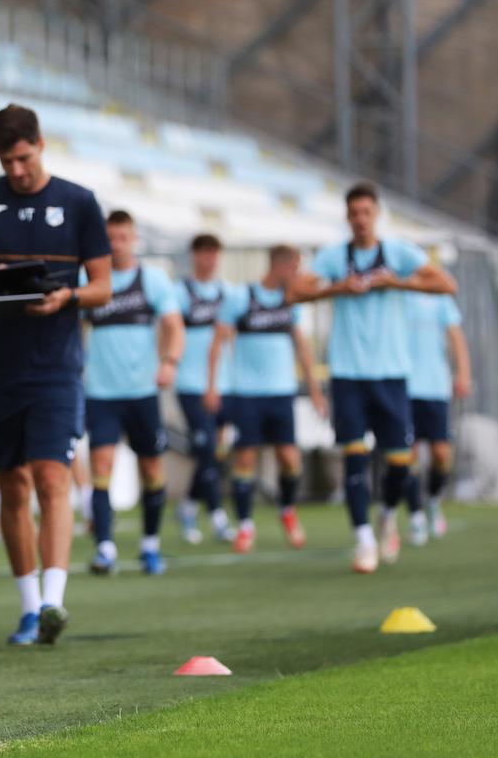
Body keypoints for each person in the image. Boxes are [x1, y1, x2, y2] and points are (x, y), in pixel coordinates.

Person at [0, 104, 109, 646]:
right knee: (13, 484)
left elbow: (102, 288)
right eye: (5, 160)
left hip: (56, 367)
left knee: (52, 477)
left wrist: (68, 296)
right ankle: (28, 605)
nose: (15, 170)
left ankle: (55, 604)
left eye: (22, 157)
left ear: (41, 144)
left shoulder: (79, 202)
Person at [288, 182, 456, 574]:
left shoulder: (397, 254)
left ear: (376, 214)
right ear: (347, 217)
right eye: (354, 213)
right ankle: (364, 539)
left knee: (399, 461)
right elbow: (294, 292)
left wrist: (396, 281)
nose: (361, 220)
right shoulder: (334, 257)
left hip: (392, 373)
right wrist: (335, 289)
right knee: (354, 456)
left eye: (367, 212)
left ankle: (386, 513)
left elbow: (446, 284)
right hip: (348, 374)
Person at [205, 245, 326, 553]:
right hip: (247, 393)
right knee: (244, 459)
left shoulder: (291, 301)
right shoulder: (241, 297)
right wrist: (212, 386)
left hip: (281, 392)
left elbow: (302, 347)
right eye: (294, 268)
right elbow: (217, 343)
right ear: (279, 265)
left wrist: (314, 389)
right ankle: (245, 525)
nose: (297, 275)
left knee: (289, 458)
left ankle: (287, 510)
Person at [83, 211, 184, 576]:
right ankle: (106, 548)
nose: (117, 244)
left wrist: (170, 361)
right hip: (101, 393)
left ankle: (150, 545)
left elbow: (174, 326)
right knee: (101, 467)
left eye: (123, 237)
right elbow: (75, 328)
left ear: (134, 239)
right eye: (111, 237)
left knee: (152, 469)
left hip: (142, 393)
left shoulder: (153, 281)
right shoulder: (91, 279)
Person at [172, 234, 235, 545]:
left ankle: (187, 506)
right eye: (203, 253)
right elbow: (169, 331)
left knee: (214, 452)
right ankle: (218, 516)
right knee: (207, 446)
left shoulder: (228, 293)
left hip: (223, 383)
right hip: (190, 383)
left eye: (213, 253)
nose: (208, 259)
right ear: (194, 255)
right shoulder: (180, 292)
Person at [403, 283, 471, 544]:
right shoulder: (398, 295)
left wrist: (463, 373)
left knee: (441, 454)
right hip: (404, 387)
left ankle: (432, 500)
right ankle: (415, 516)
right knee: (406, 455)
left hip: (435, 388)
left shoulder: (439, 297)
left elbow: (455, 335)